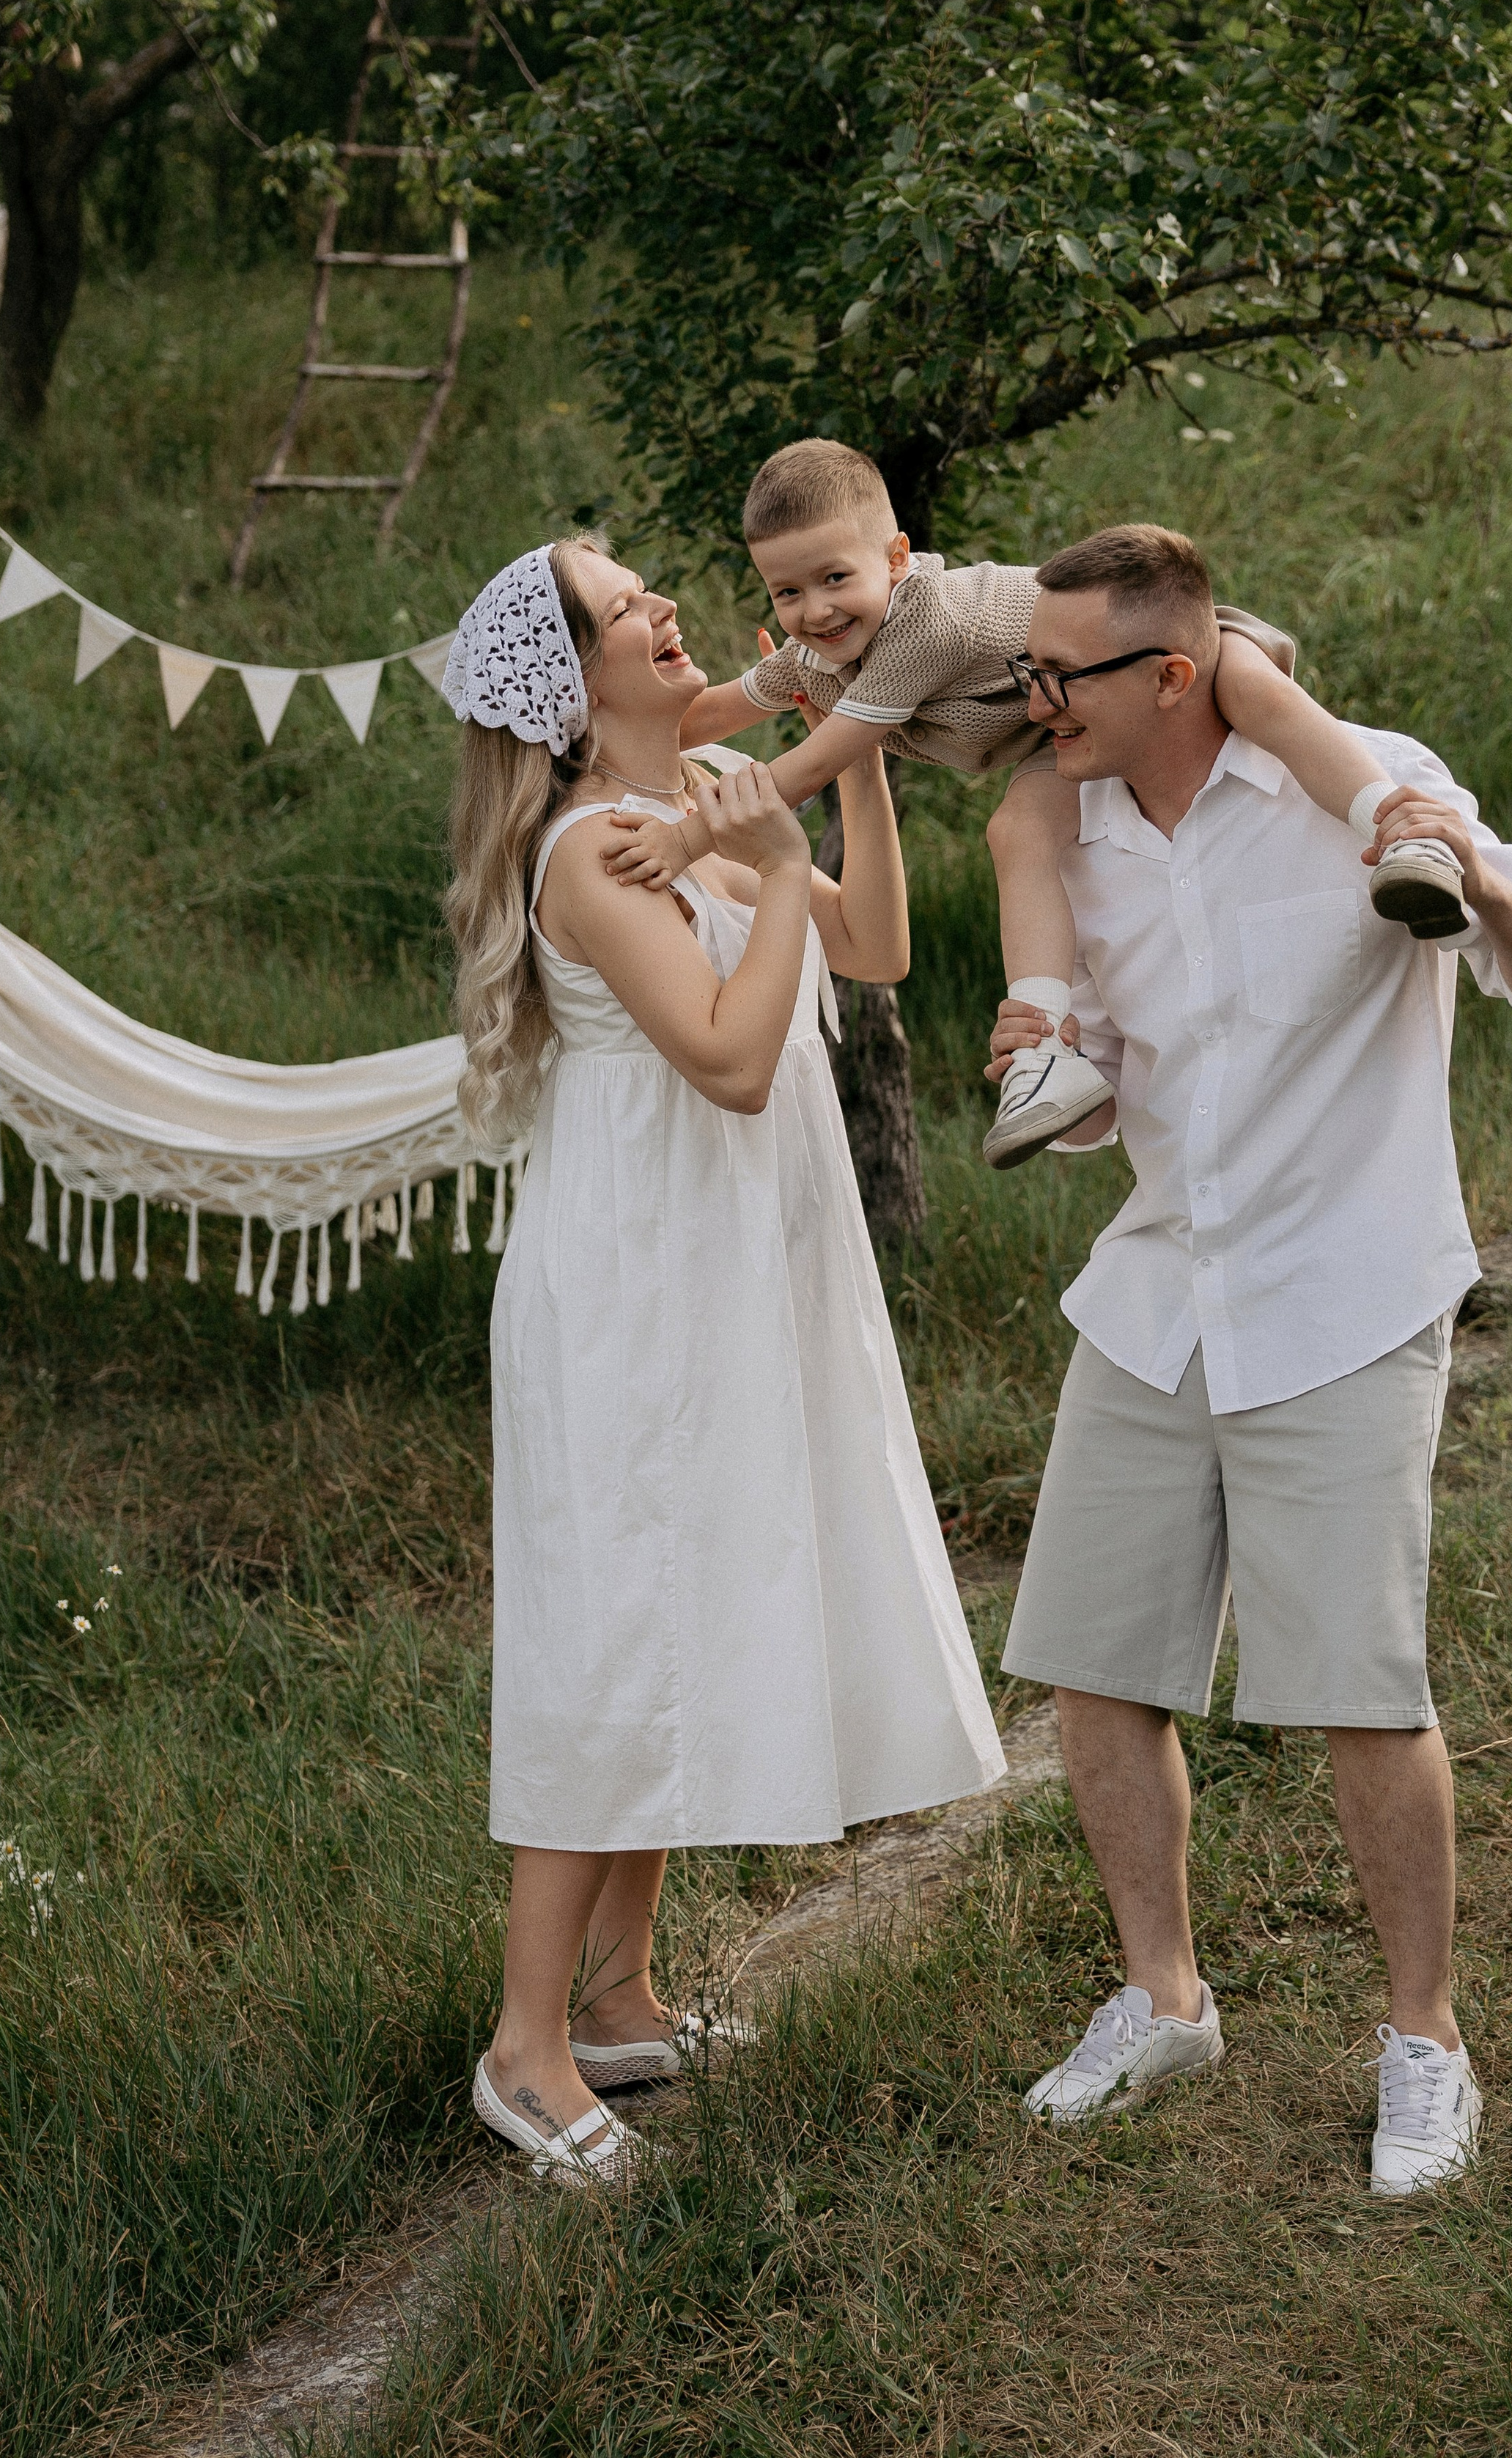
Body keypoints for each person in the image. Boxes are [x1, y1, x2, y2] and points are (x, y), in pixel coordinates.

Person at [986, 523, 1512, 2197]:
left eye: (1062, 672)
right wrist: (1046, 1059)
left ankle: (1423, 2040)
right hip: (1159, 1290)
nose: (1033, 696)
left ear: (1171, 674)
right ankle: (1162, 1993)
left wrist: (1480, 885)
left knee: (1352, 1687)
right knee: (1091, 1666)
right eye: (1028, 667)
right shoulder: (1076, 839)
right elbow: (1112, 1085)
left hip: (1341, 1293)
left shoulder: (1365, 785)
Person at [441, 535, 1005, 2188]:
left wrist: (858, 748)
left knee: (680, 1602)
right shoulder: (592, 851)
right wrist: (760, 837)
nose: (665, 609)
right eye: (627, 610)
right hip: (629, 1283)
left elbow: (873, 947)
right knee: (612, 1630)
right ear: (569, 686)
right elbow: (732, 1058)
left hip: (721, 1265)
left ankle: (618, 1999)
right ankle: (525, 2049)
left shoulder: (695, 782)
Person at [602, 440, 1469, 1168]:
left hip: (1146, 663)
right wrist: (596, 736)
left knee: (1254, 692)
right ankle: (1049, 1054)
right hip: (1061, 739)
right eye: (786, 593)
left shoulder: (924, 624)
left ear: (897, 562)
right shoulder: (818, 653)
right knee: (1016, 830)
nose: (814, 611)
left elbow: (814, 761)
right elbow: (717, 710)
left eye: (835, 578)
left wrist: (684, 841)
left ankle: (1400, 832)